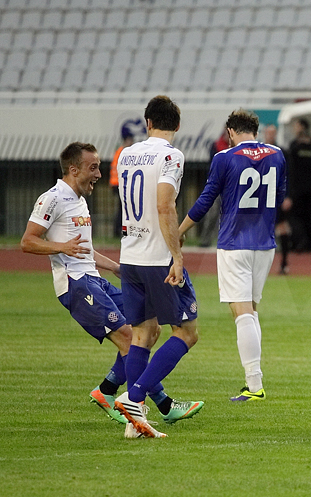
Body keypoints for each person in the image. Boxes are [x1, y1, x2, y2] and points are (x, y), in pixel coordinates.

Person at [20, 142, 199, 434]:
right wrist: (61, 246)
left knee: (148, 329)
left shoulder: (79, 200)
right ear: (73, 169)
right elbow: (28, 241)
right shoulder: (52, 198)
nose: (99, 174)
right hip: (76, 285)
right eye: (93, 167)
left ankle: (107, 390)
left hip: (95, 279)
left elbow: (84, 250)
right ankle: (162, 405)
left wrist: (115, 266)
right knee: (130, 338)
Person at [178, 109, 287, 402]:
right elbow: (279, 196)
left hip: (234, 241)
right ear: (256, 128)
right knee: (250, 310)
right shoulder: (277, 154)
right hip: (264, 242)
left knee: (241, 314)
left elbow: (206, 200)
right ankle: (254, 383)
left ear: (230, 131)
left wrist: (180, 229)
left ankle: (254, 386)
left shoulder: (224, 157)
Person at [113, 95, 203, 438]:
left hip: (130, 256)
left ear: (147, 122)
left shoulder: (127, 154)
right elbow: (165, 206)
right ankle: (134, 398)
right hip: (157, 259)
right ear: (177, 126)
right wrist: (177, 256)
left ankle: (136, 425)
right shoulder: (171, 155)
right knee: (187, 332)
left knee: (144, 334)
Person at [286, 118, 311, 253]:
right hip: (297, 188)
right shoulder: (294, 145)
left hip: (310, 188)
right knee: (296, 216)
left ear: (303, 127)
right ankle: (298, 243)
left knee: (310, 217)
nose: (295, 129)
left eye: (296, 126)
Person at [264, 123, 293, 274]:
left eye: (272, 133)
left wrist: (287, 196)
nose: (270, 135)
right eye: (268, 133)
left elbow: (288, 175)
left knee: (282, 228)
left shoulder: (282, 153)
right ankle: (260, 266)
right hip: (262, 198)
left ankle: (284, 263)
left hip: (277, 197)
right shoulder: (258, 153)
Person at [198, 129, 229, 248]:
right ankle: (205, 239)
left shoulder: (234, 148)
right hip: (217, 185)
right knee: (212, 213)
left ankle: (223, 239)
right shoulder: (217, 146)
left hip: (229, 186)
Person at [109, 128, 134, 238]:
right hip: (120, 184)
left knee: (122, 207)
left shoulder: (119, 150)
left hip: (115, 183)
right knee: (123, 208)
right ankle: (118, 230)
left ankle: (118, 230)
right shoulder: (125, 152)